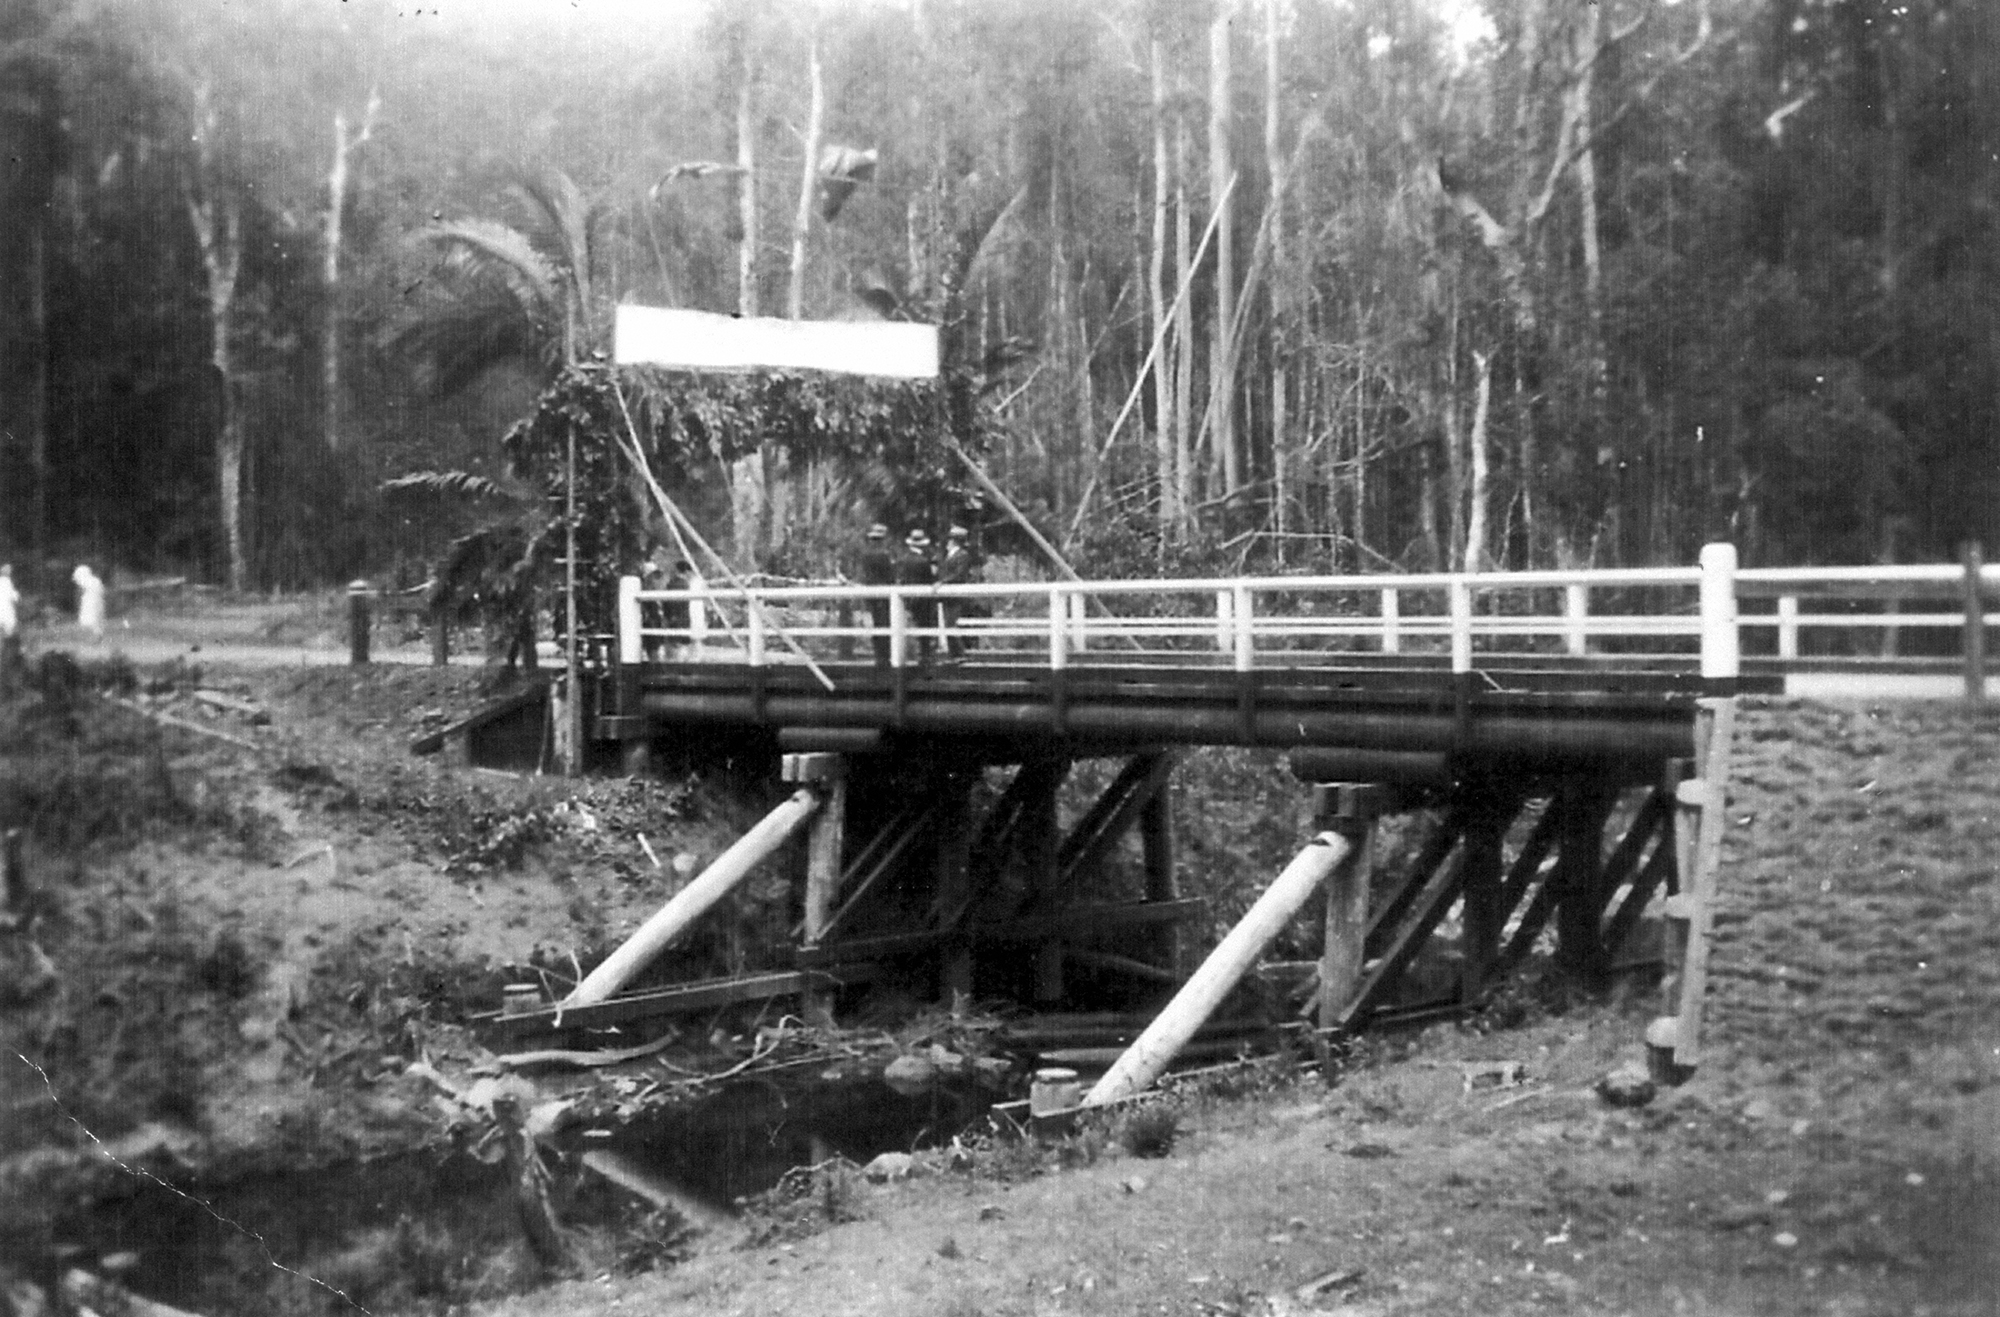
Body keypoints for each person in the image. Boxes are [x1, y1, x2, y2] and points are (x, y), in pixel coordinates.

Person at [936, 524, 980, 659]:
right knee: (949, 623)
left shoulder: (962, 555)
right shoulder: (949, 555)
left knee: (952, 624)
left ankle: (959, 653)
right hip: (948, 596)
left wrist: (943, 582)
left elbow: (959, 575)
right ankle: (953, 654)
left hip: (956, 596)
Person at [896, 526, 938, 662]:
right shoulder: (924, 561)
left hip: (907, 599)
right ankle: (924, 656)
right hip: (922, 600)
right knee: (924, 626)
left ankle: (909, 654)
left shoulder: (903, 559)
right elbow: (930, 579)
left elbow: (901, 579)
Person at [857, 522, 895, 667]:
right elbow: (889, 576)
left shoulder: (865, 554)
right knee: (885, 624)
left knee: (877, 624)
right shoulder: (884, 555)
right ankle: (885, 657)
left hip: (871, 594)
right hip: (884, 595)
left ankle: (879, 656)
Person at [72, 565, 104, 640]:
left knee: (92, 620)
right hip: (91, 602)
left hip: (92, 602)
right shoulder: (94, 581)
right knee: (91, 620)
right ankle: (95, 635)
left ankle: (96, 636)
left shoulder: (90, 582)